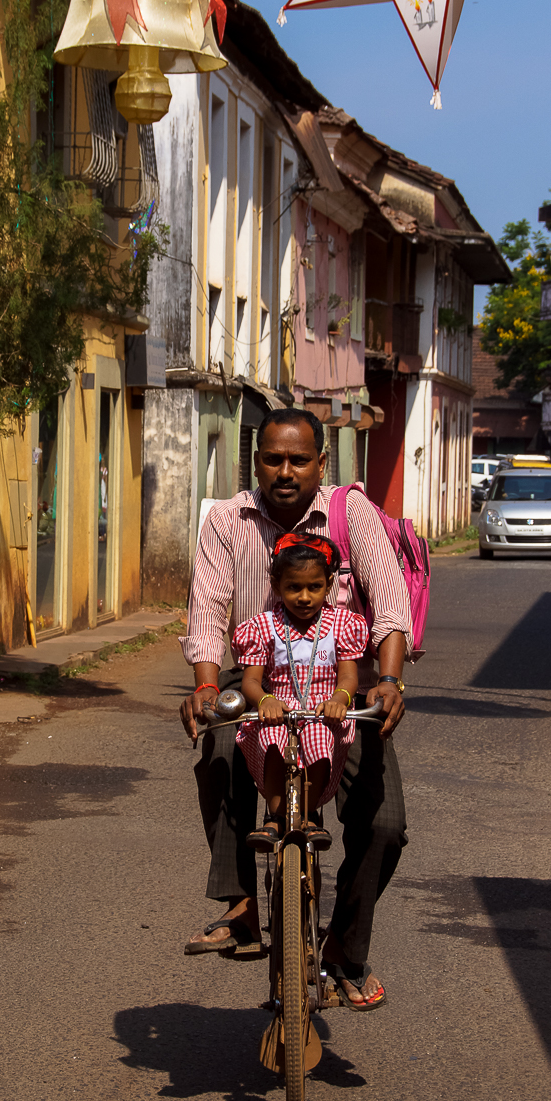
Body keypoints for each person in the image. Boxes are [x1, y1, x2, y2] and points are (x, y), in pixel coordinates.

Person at [179, 408, 412, 1012]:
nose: (285, 471)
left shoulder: (350, 513)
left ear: (321, 463)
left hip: (340, 683)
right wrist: (207, 689)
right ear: (255, 462)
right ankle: (243, 907)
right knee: (218, 747)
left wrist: (387, 682)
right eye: (272, 459)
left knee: (385, 824)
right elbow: (207, 611)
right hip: (262, 682)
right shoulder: (229, 520)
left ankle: (343, 951)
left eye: (298, 460)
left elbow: (390, 606)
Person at [234, 532, 369, 849]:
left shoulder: (341, 625)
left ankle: (310, 814)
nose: (305, 597)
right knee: (272, 740)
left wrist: (340, 698)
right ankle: (273, 816)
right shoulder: (264, 627)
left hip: (322, 712)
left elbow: (349, 677)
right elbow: (250, 682)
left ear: (329, 583)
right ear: (275, 585)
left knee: (321, 738)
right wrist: (265, 700)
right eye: (294, 587)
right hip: (277, 712)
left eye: (315, 587)